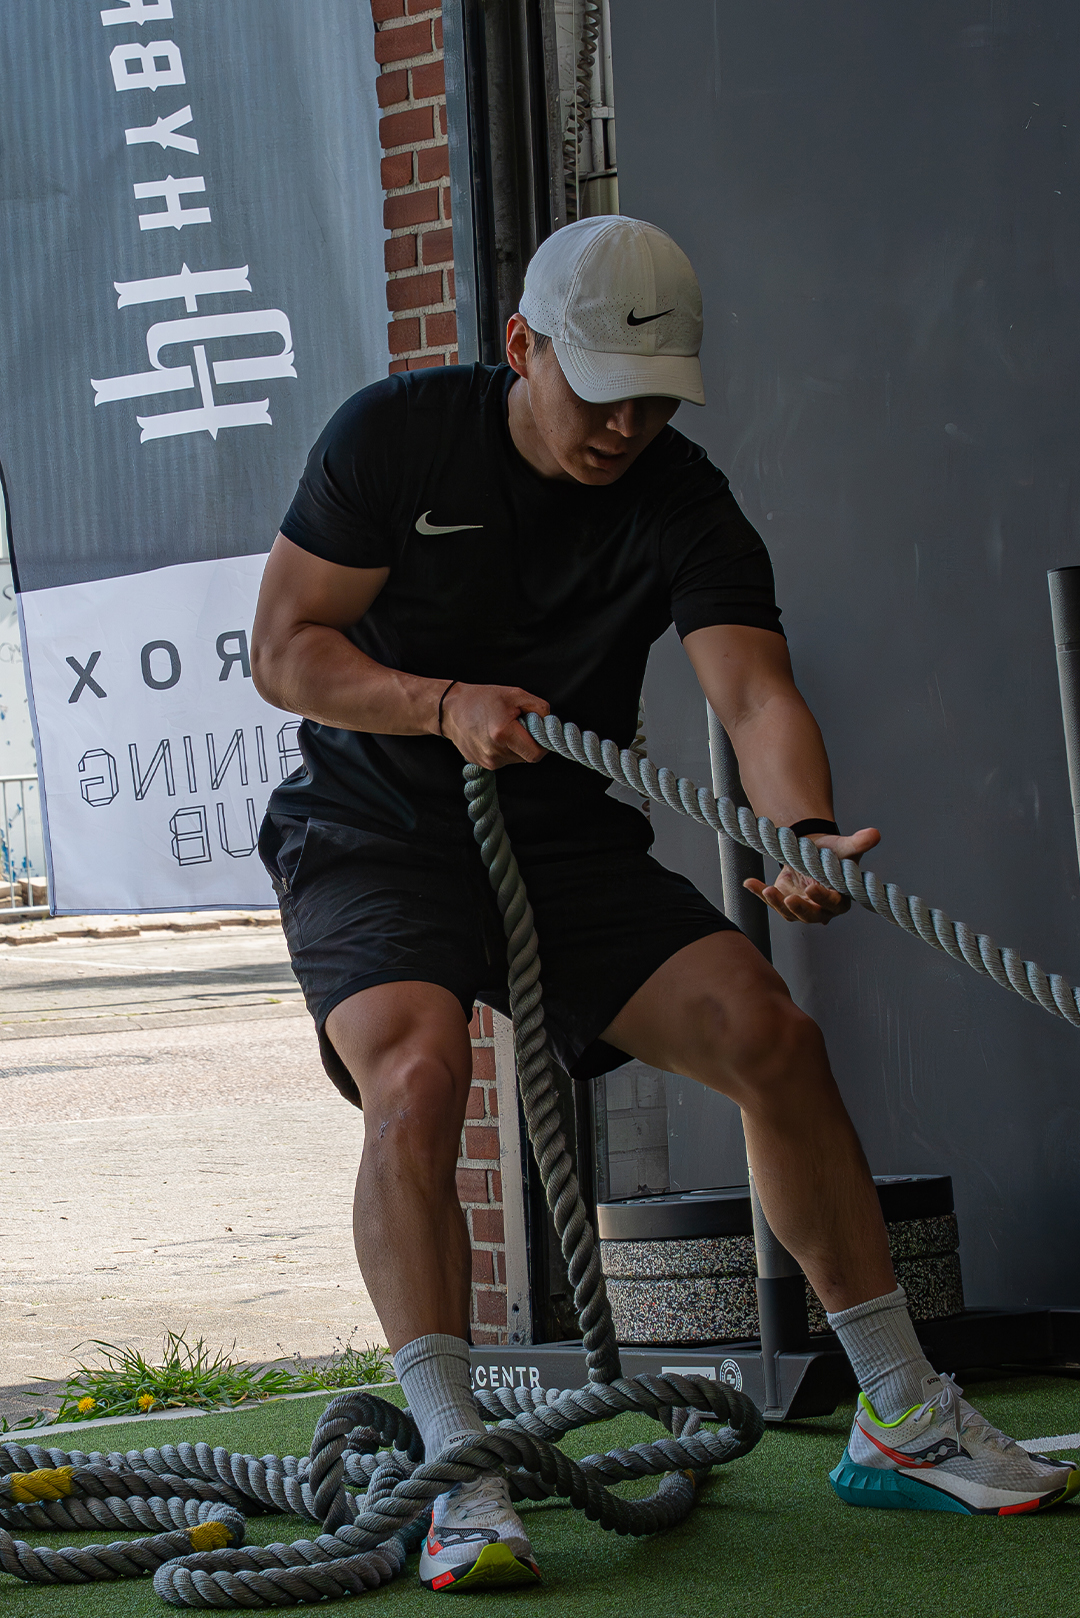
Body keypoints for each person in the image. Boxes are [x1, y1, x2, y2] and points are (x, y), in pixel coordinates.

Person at [251, 216, 1077, 1591]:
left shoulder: (679, 497)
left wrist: (800, 827)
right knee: (417, 1067)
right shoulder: (391, 440)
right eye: (598, 388)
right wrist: (437, 702)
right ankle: (461, 1459)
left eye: (655, 397)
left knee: (770, 1034)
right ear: (522, 347)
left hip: (560, 833)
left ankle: (894, 1408)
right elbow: (286, 649)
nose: (626, 422)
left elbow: (752, 690)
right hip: (376, 825)